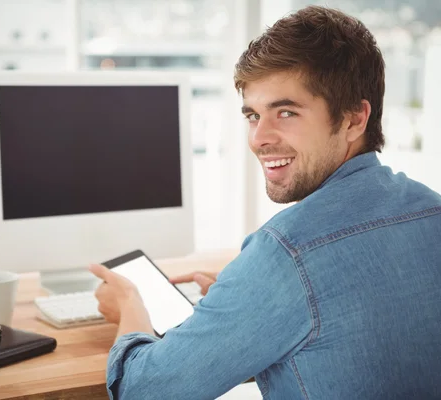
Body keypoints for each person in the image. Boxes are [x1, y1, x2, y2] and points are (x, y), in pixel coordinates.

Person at [89, 5, 441, 400]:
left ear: (354, 119)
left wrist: (132, 309)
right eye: (253, 115)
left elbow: (141, 392)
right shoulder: (433, 211)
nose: (258, 138)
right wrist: (250, 299)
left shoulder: (286, 254)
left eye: (286, 112)